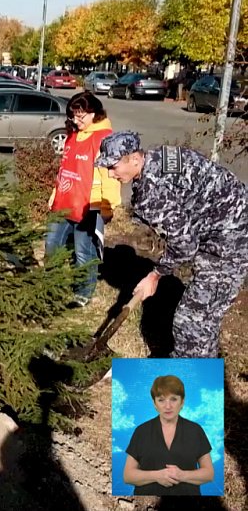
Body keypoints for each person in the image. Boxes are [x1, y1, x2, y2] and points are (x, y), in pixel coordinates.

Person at [96, 131, 248, 358]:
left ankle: (192, 380)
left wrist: (155, 275)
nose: (110, 174)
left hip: (229, 243)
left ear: (135, 159)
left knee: (191, 322)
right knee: (205, 320)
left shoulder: (152, 193)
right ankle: (201, 369)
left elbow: (185, 245)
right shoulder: (161, 156)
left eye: (113, 167)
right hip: (227, 225)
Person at [45, 91, 120, 308]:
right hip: (64, 202)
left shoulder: (104, 138)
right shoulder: (72, 135)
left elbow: (110, 174)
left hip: (89, 206)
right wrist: (54, 195)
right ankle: (49, 286)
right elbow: (64, 169)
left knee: (83, 252)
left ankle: (83, 293)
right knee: (52, 244)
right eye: (73, 117)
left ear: (94, 113)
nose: (77, 122)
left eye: (81, 116)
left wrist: (108, 205)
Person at [123, 375, 214, 495]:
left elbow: (209, 473)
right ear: (154, 403)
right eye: (161, 400)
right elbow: (128, 476)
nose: (168, 406)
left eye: (173, 399)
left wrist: (182, 475)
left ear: (182, 401)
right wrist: (156, 476)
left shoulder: (195, 430)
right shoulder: (141, 431)